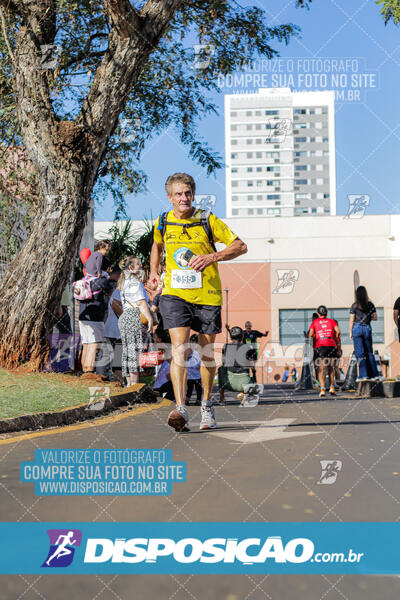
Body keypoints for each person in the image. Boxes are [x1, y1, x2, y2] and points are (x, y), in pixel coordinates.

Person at [148, 172, 247, 432]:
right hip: (175, 294)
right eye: (179, 194)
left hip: (207, 295)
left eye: (188, 193)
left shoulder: (206, 219)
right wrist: (153, 272)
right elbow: (157, 246)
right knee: (179, 346)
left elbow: (240, 246)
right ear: (170, 197)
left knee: (205, 352)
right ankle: (180, 408)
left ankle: (205, 403)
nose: (184, 198)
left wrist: (212, 257)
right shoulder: (163, 221)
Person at [118, 256, 153, 387]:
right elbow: (141, 303)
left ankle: (129, 384)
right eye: (138, 264)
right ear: (131, 268)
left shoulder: (124, 282)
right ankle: (134, 385)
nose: (141, 265)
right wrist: (149, 318)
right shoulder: (135, 283)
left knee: (128, 351)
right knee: (135, 351)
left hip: (125, 317)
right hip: (134, 317)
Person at [78, 266, 114, 377]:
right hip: (95, 318)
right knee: (94, 344)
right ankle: (89, 373)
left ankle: (84, 371)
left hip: (83, 316)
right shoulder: (103, 281)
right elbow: (110, 294)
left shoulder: (86, 279)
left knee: (86, 344)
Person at [218, 326, 256, 404]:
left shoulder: (226, 346)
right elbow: (252, 365)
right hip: (244, 383)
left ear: (231, 337)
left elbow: (223, 362)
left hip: (229, 383)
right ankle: (244, 395)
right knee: (249, 370)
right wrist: (254, 373)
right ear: (242, 337)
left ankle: (222, 399)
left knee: (221, 369)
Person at [308, 305, 341, 397]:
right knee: (331, 367)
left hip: (320, 345)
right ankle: (332, 387)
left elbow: (310, 334)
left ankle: (322, 389)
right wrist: (333, 337)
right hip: (331, 344)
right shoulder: (332, 321)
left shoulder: (315, 322)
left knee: (321, 369)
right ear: (326, 313)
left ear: (318, 313)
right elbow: (338, 331)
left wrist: (319, 335)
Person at [350, 285, 379, 381]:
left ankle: (363, 375)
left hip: (357, 328)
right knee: (369, 352)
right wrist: (368, 317)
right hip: (367, 327)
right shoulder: (370, 304)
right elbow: (375, 317)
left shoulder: (354, 305)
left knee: (360, 353)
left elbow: (351, 320)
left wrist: (350, 332)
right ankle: (374, 375)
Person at [185, 334, 202, 406]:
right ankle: (188, 400)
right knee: (192, 387)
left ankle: (195, 400)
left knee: (193, 387)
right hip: (192, 372)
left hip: (195, 372)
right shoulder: (190, 349)